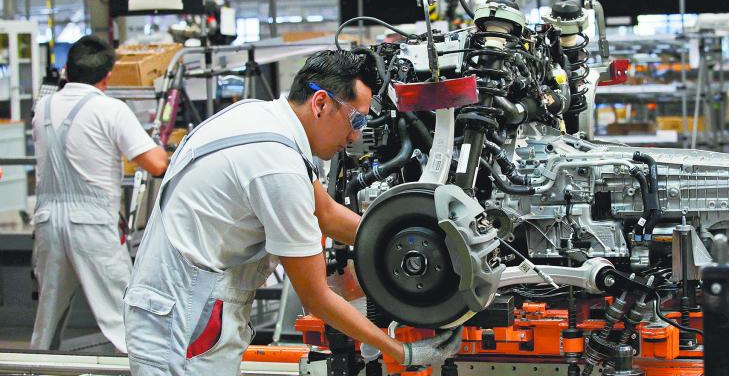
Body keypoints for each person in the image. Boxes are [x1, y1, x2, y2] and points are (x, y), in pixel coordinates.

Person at [124, 49, 461, 375]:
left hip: (181, 306)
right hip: (184, 321)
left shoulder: (262, 119)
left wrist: (412, 240)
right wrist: (400, 351)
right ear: (321, 103)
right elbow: (316, 297)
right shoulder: (277, 167)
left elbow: (327, 213)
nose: (356, 135)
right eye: (355, 119)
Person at [30, 35, 169, 352]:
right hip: (92, 224)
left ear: (66, 70)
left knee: (48, 318)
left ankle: (35, 369)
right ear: (108, 75)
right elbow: (155, 163)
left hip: (48, 222)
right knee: (123, 315)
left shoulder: (43, 107)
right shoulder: (110, 110)